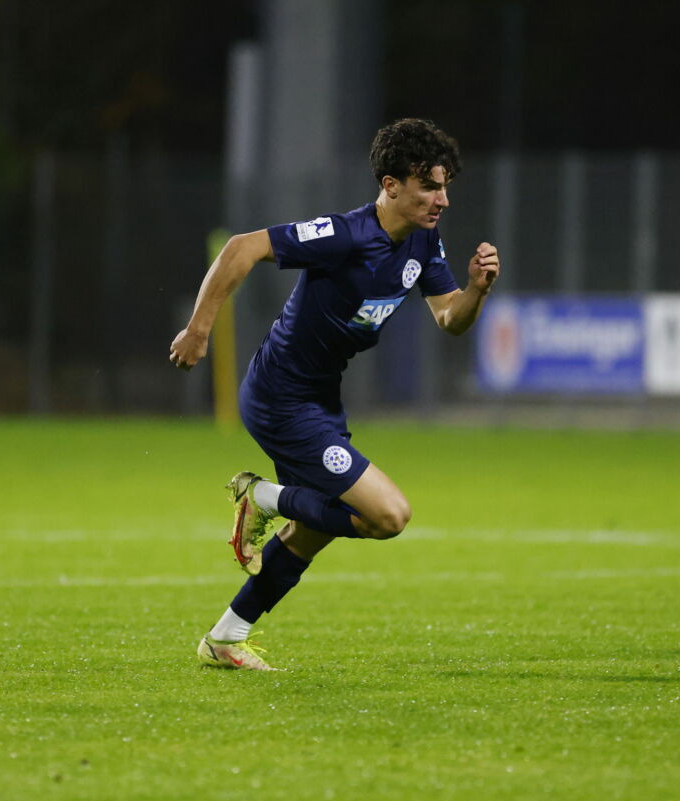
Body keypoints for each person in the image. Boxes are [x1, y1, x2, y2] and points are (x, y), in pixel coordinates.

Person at [168, 118, 500, 670]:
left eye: (445, 186)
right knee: (389, 515)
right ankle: (261, 498)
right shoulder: (345, 235)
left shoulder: (423, 240)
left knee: (316, 530)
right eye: (429, 187)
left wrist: (476, 291)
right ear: (391, 185)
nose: (442, 198)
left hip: (319, 400)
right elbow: (240, 249)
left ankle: (226, 638)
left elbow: (449, 319)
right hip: (280, 397)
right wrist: (199, 329)